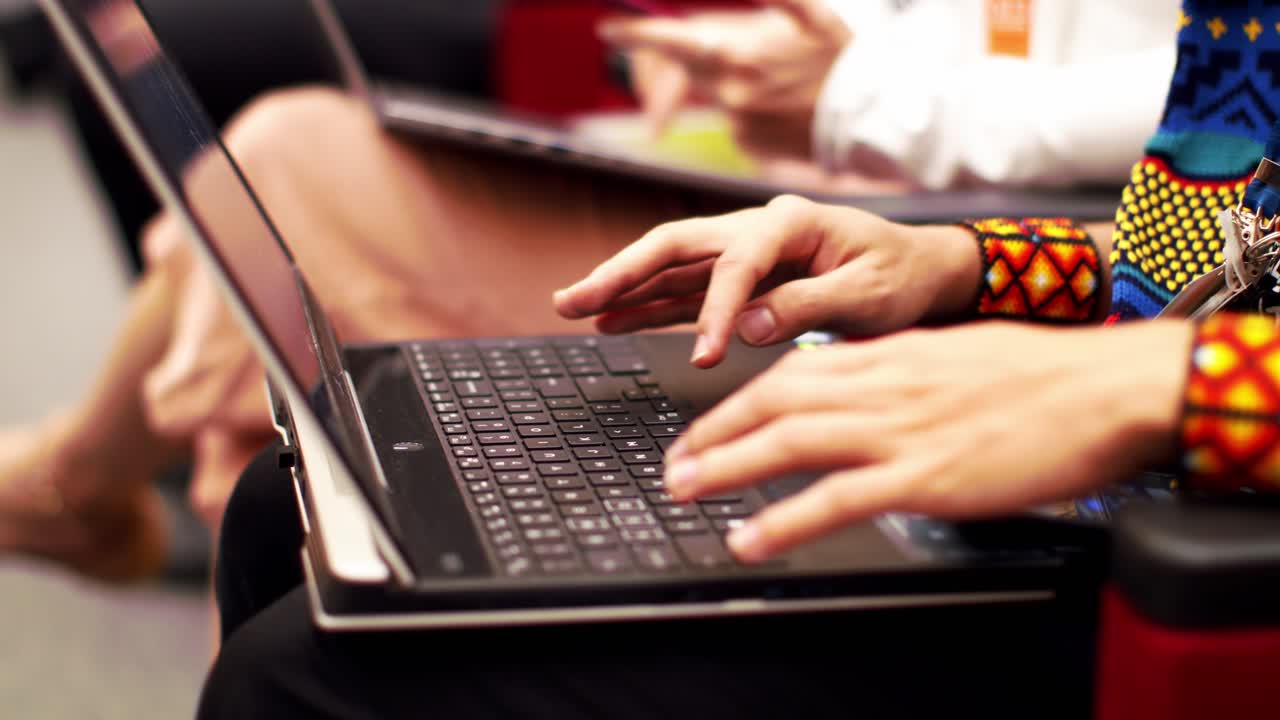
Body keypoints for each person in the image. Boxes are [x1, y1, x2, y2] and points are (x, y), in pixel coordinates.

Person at [195, 0, 1280, 716]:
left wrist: (1160, 382)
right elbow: (1231, 234)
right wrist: (966, 266)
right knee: (297, 491)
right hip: (1130, 428)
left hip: (1201, 533)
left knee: (299, 677)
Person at [0, 0, 1179, 581]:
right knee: (284, 166)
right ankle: (95, 474)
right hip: (867, 168)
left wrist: (861, 94)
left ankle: (76, 475)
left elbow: (1203, 119)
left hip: (997, 195)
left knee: (289, 161)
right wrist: (776, 45)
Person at [610, 0, 1178, 189]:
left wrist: (860, 102)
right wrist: (762, 49)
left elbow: (1226, 89)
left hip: (1131, 259)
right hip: (931, 213)